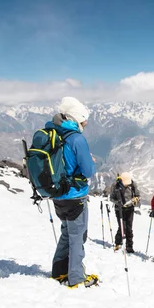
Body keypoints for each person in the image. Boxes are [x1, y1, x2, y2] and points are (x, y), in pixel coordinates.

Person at [48, 97, 98, 288]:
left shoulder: (54, 133)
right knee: (78, 236)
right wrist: (91, 161)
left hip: (57, 195)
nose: (85, 124)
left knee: (67, 234)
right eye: (84, 120)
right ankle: (76, 277)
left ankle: (58, 270)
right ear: (77, 118)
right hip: (75, 195)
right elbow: (88, 171)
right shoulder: (76, 138)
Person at [109, 172, 141, 253]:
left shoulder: (133, 184)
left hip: (130, 209)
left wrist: (135, 200)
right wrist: (118, 202)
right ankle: (118, 243)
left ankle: (129, 246)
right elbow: (111, 198)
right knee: (122, 226)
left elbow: (138, 195)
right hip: (119, 209)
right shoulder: (115, 185)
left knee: (129, 228)